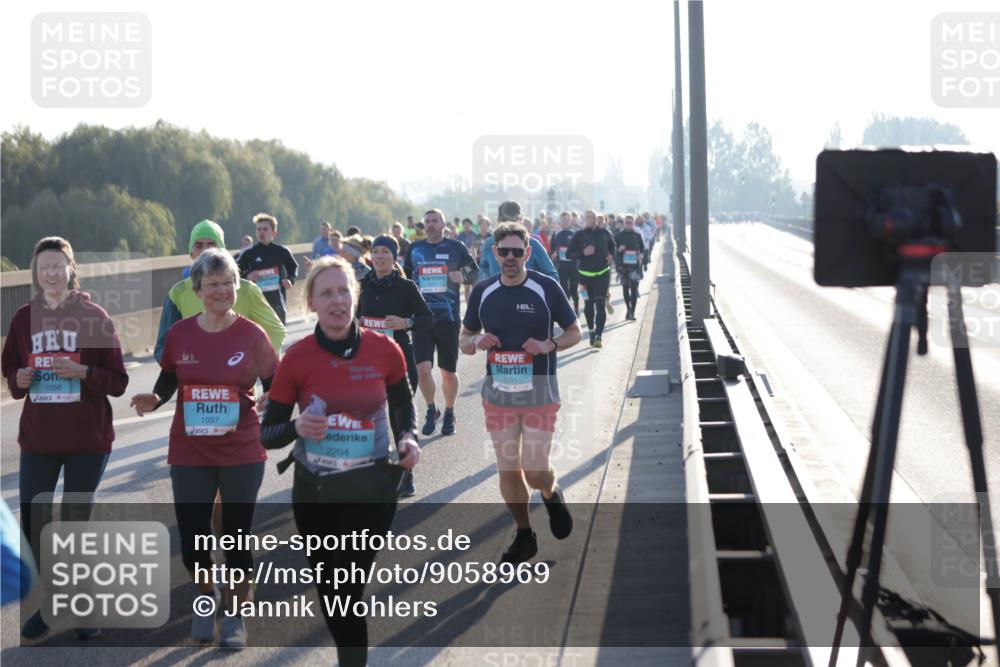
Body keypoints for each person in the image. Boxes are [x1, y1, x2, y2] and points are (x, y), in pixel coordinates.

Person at [261, 256, 420, 667]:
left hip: (371, 486)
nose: (338, 300)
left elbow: (403, 403)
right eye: (326, 293)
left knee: (346, 587)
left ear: (356, 295)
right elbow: (268, 433)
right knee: (330, 591)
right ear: (311, 302)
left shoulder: (384, 349)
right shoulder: (296, 358)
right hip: (315, 490)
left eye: (345, 290)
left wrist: (408, 436)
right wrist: (299, 427)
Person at [131, 249, 277, 650]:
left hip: (241, 448)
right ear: (196, 290)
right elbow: (169, 378)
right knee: (195, 537)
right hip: (190, 449)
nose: (222, 290)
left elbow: (274, 378)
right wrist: (154, 400)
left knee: (235, 535)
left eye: (228, 282)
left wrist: (270, 399)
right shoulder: (181, 334)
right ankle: (207, 594)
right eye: (212, 284)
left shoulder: (251, 334)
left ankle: (235, 612)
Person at [2, 236, 129, 640]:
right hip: (39, 439)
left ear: (71, 269)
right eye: (44, 267)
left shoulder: (93, 315)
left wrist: (86, 374)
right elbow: (12, 371)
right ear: (36, 273)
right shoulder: (23, 319)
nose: (51, 273)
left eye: (58, 265)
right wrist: (17, 380)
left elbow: (119, 381)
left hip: (86, 441)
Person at [460, 221, 580, 563]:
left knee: (534, 469)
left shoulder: (547, 288)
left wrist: (549, 344)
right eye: (504, 251)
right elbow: (464, 341)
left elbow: (574, 332)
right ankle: (525, 534)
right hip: (498, 393)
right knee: (508, 469)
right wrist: (476, 341)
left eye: (517, 251)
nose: (510, 257)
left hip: (540, 390)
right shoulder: (483, 291)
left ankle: (551, 493)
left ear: (528, 253)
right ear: (494, 254)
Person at [358, 235, 432, 499]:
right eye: (375, 252)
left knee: (399, 418)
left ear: (394, 257)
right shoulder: (362, 286)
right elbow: (351, 317)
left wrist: (406, 323)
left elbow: (426, 318)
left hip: (399, 360)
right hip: (366, 363)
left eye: (385, 252)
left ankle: (406, 474)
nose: (379, 256)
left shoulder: (406, 287)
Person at [155, 220, 285, 363]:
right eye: (198, 246)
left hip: (239, 383)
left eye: (211, 245)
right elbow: (163, 347)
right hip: (194, 384)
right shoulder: (178, 293)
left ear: (222, 251)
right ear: (191, 253)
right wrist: (184, 368)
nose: (205, 251)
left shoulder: (247, 289)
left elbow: (275, 332)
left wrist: (249, 364)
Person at [403, 209, 479, 437]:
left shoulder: (456, 248)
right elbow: (404, 276)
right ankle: (431, 410)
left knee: (447, 371)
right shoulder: (415, 249)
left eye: (435, 221)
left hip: (448, 318)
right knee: (423, 368)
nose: (431, 225)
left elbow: (475, 272)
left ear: (444, 224)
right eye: (427, 222)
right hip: (421, 318)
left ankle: (449, 412)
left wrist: (461, 276)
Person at [237, 212, 299, 324]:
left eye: (265, 229)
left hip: (277, 301)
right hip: (256, 302)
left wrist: (290, 279)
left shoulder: (281, 251)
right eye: (259, 229)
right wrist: (248, 276)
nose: (261, 232)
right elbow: (235, 272)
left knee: (278, 336)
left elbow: (293, 267)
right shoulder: (249, 253)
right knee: (259, 337)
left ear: (274, 232)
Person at [566, 210, 616, 348]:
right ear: (584, 219)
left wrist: (611, 256)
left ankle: (599, 335)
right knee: (588, 305)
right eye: (586, 217)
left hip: (602, 274)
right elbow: (569, 254)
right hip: (584, 277)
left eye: (591, 217)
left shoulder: (605, 233)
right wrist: (583, 253)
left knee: (600, 304)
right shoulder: (579, 235)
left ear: (596, 218)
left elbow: (613, 247)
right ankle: (592, 330)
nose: (589, 219)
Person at [479, 203, 559, 283]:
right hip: (496, 293)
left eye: (514, 223)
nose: (510, 228)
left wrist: (532, 288)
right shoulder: (489, 243)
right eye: (506, 223)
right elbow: (483, 268)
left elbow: (552, 277)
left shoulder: (533, 244)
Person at [614, 215, 646, 321]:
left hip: (635, 266)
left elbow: (642, 248)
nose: (628, 224)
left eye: (630, 223)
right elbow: (613, 251)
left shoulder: (637, 235)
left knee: (634, 289)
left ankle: (632, 312)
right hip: (623, 267)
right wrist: (619, 249)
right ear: (623, 223)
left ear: (633, 224)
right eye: (626, 223)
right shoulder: (618, 236)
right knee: (625, 289)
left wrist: (641, 255)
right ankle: (628, 308)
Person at [549, 211, 580, 314]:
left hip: (574, 265)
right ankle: (567, 310)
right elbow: (552, 249)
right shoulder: (556, 233)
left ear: (571, 220)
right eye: (563, 220)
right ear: (560, 221)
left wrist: (572, 253)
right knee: (564, 289)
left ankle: (576, 307)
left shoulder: (576, 233)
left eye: (567, 220)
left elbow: (581, 249)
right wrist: (553, 255)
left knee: (574, 290)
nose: (565, 222)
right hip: (561, 266)